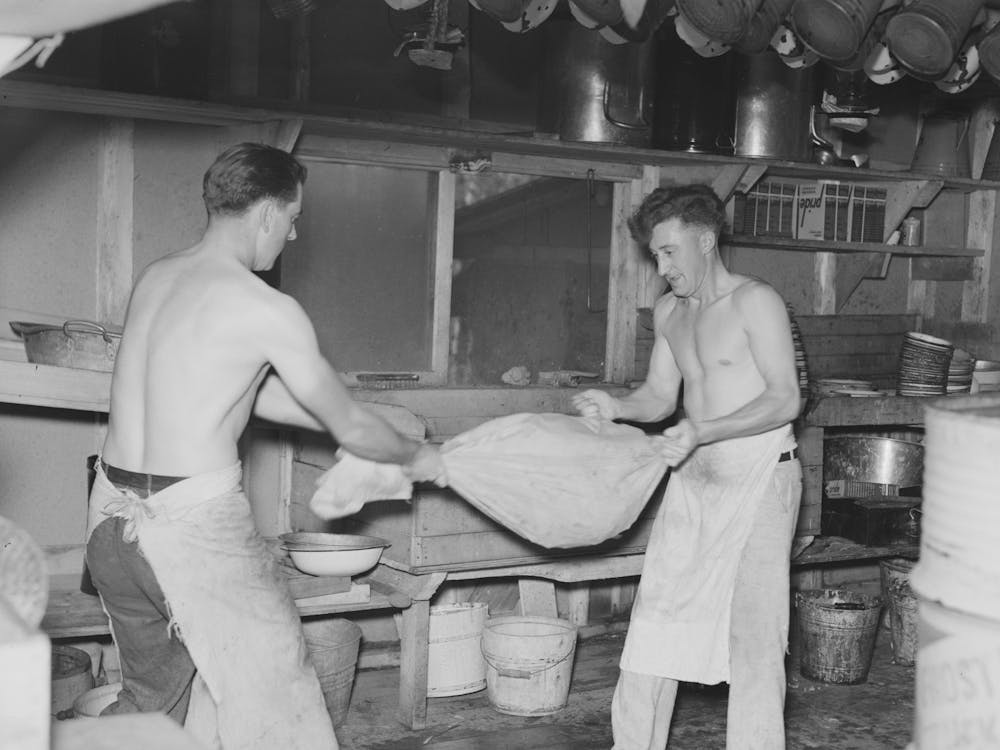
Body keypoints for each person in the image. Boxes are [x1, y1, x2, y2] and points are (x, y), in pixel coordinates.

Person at [85, 142, 446, 750]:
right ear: (267, 214)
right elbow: (354, 434)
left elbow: (234, 393)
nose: (295, 235)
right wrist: (421, 458)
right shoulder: (267, 308)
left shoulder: (158, 277)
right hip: (195, 535)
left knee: (153, 705)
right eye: (295, 217)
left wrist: (354, 415)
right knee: (282, 713)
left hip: (112, 527)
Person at [573, 184, 802, 749]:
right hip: (696, 476)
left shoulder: (756, 301)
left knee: (754, 636)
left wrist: (704, 430)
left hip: (761, 472)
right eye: (655, 255)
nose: (662, 265)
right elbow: (658, 394)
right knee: (655, 623)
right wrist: (617, 408)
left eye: (671, 251)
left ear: (705, 240)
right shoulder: (669, 310)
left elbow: (784, 399)